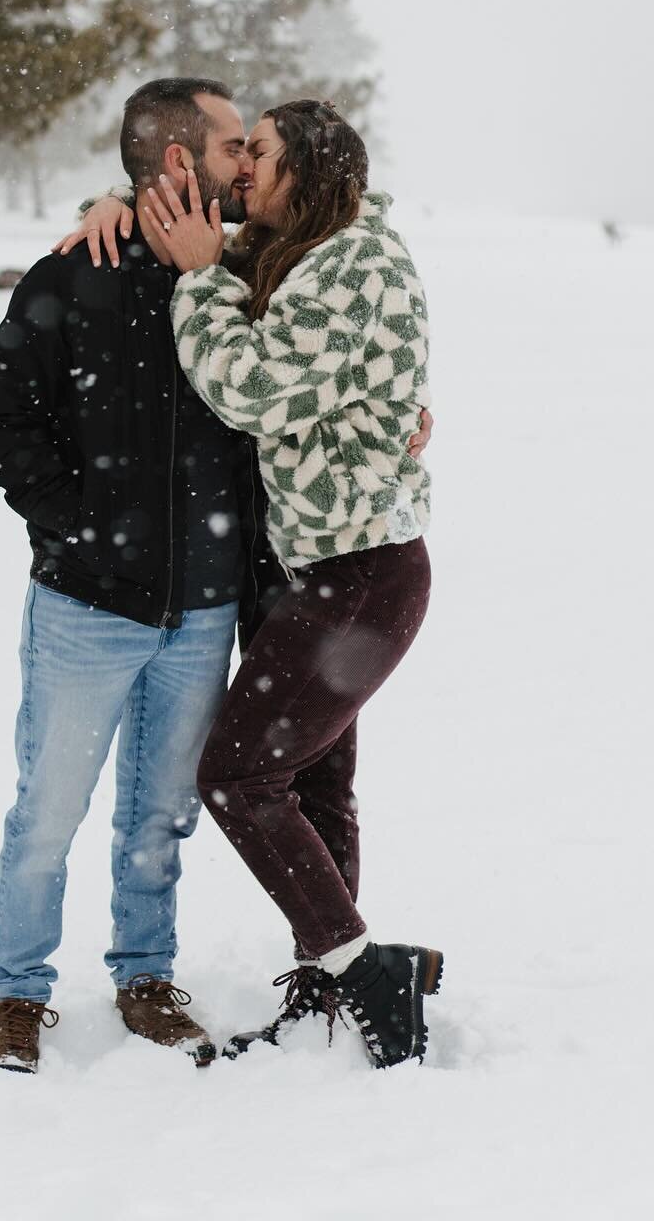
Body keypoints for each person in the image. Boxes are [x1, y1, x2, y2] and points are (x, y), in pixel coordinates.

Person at [0, 78, 280, 1073]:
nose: (249, 163)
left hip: (204, 607)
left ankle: (145, 977)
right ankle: (16, 994)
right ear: (182, 162)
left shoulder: (246, 273)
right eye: (236, 145)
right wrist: (84, 526)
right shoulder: (70, 278)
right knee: (48, 812)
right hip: (86, 608)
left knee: (160, 811)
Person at [132, 99, 442, 1069]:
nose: (243, 174)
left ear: (306, 163)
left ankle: (362, 970)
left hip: (359, 574)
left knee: (236, 774)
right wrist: (122, 214)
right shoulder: (318, 250)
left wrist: (191, 280)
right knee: (317, 785)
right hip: (342, 566)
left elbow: (252, 389)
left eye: (258, 154)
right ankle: (330, 989)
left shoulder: (353, 264)